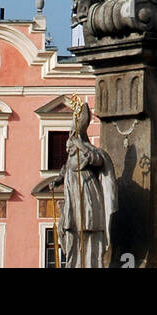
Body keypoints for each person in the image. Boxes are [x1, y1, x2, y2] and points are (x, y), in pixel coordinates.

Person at [52, 102, 117, 268]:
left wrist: (80, 143)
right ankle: (75, 263)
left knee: (88, 228)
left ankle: (92, 263)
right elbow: (66, 168)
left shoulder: (87, 149)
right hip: (73, 194)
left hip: (87, 192)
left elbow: (99, 161)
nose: (69, 147)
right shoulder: (71, 157)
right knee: (72, 230)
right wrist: (58, 180)